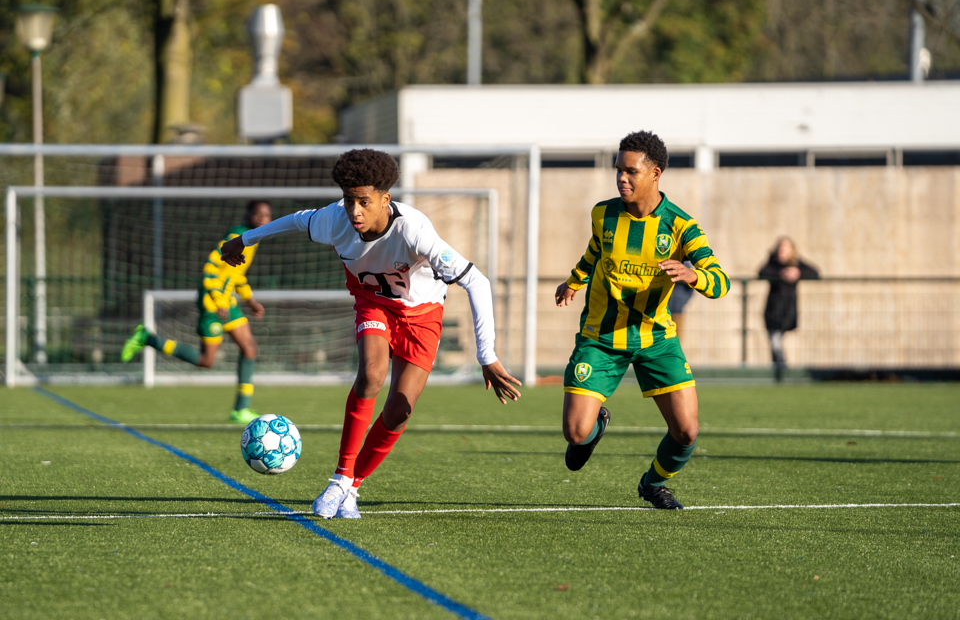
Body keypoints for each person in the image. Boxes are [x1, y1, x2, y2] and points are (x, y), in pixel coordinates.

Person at [220, 149, 521, 520]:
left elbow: (476, 281)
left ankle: (351, 487)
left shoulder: (414, 230)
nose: (355, 211)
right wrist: (246, 239)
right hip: (373, 304)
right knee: (372, 375)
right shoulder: (335, 220)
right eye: (349, 200)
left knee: (399, 411)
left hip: (422, 315)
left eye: (364, 202)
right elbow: (298, 221)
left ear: (385, 199)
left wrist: (486, 355)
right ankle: (339, 478)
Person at [555, 131, 729, 510]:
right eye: (618, 170)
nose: (622, 179)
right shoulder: (604, 214)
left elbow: (720, 282)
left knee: (686, 431)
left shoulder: (681, 226)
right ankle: (596, 423)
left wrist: (693, 275)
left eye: (631, 172)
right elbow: (594, 254)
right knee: (575, 432)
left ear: (655, 173)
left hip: (656, 340)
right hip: (601, 337)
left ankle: (653, 484)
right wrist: (573, 282)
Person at [121, 200, 272, 424]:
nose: (262, 219)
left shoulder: (253, 241)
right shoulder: (237, 236)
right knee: (206, 361)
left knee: (249, 348)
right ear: (249, 215)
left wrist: (250, 300)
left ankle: (241, 409)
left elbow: (235, 275)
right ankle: (147, 338)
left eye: (267, 215)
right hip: (213, 302)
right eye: (258, 214)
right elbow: (210, 267)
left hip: (227, 302)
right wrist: (218, 299)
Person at [759, 237, 819, 381]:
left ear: (792, 250)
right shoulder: (772, 264)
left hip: (789, 310)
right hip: (772, 309)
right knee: (774, 341)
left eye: (785, 248)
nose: (782, 251)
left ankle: (782, 371)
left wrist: (798, 273)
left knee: (777, 341)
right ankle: (781, 370)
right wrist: (780, 275)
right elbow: (761, 272)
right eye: (780, 248)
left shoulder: (797, 264)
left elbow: (815, 273)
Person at [666, 260, 694, 338]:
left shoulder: (685, 265)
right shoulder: (664, 261)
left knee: (676, 337)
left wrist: (683, 302)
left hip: (677, 311)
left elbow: (690, 285)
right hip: (661, 311)